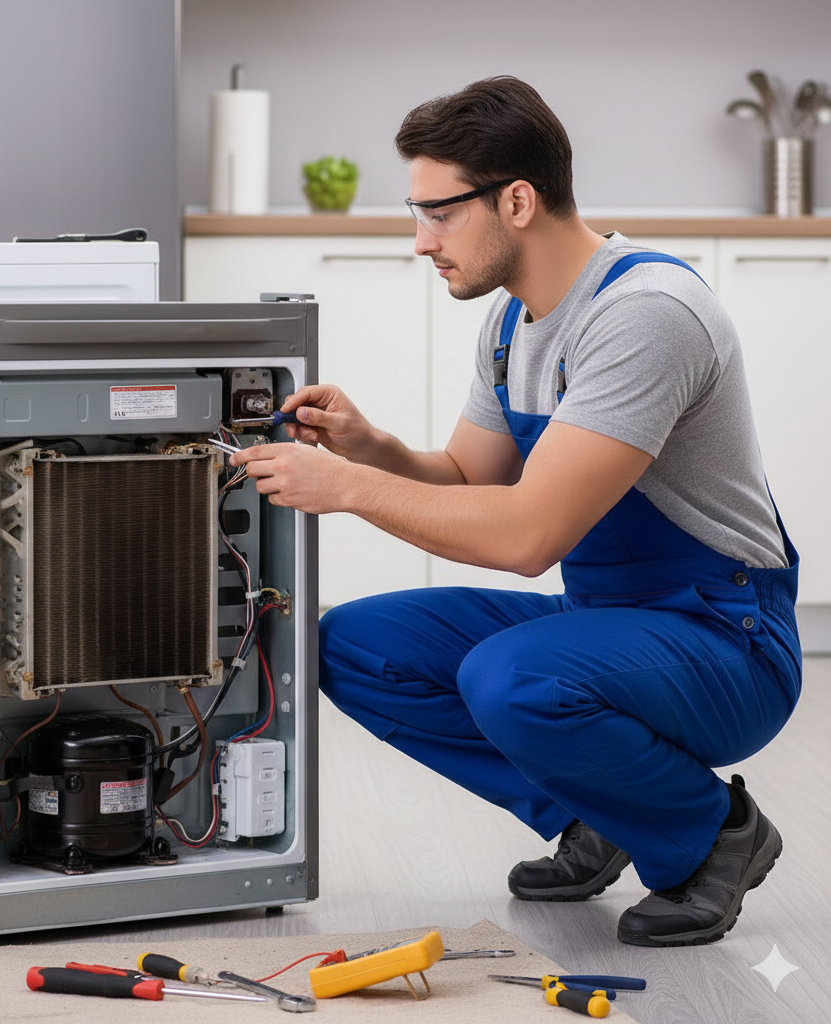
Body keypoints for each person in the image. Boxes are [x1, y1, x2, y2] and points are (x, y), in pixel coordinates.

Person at [229, 76, 801, 947]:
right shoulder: (513, 321)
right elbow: (468, 473)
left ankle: (712, 831)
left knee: (514, 678)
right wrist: (367, 447)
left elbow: (531, 535)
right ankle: (604, 811)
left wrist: (344, 491)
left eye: (438, 214)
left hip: (727, 639)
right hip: (608, 623)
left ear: (518, 201)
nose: (422, 243)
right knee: (347, 646)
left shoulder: (645, 315)